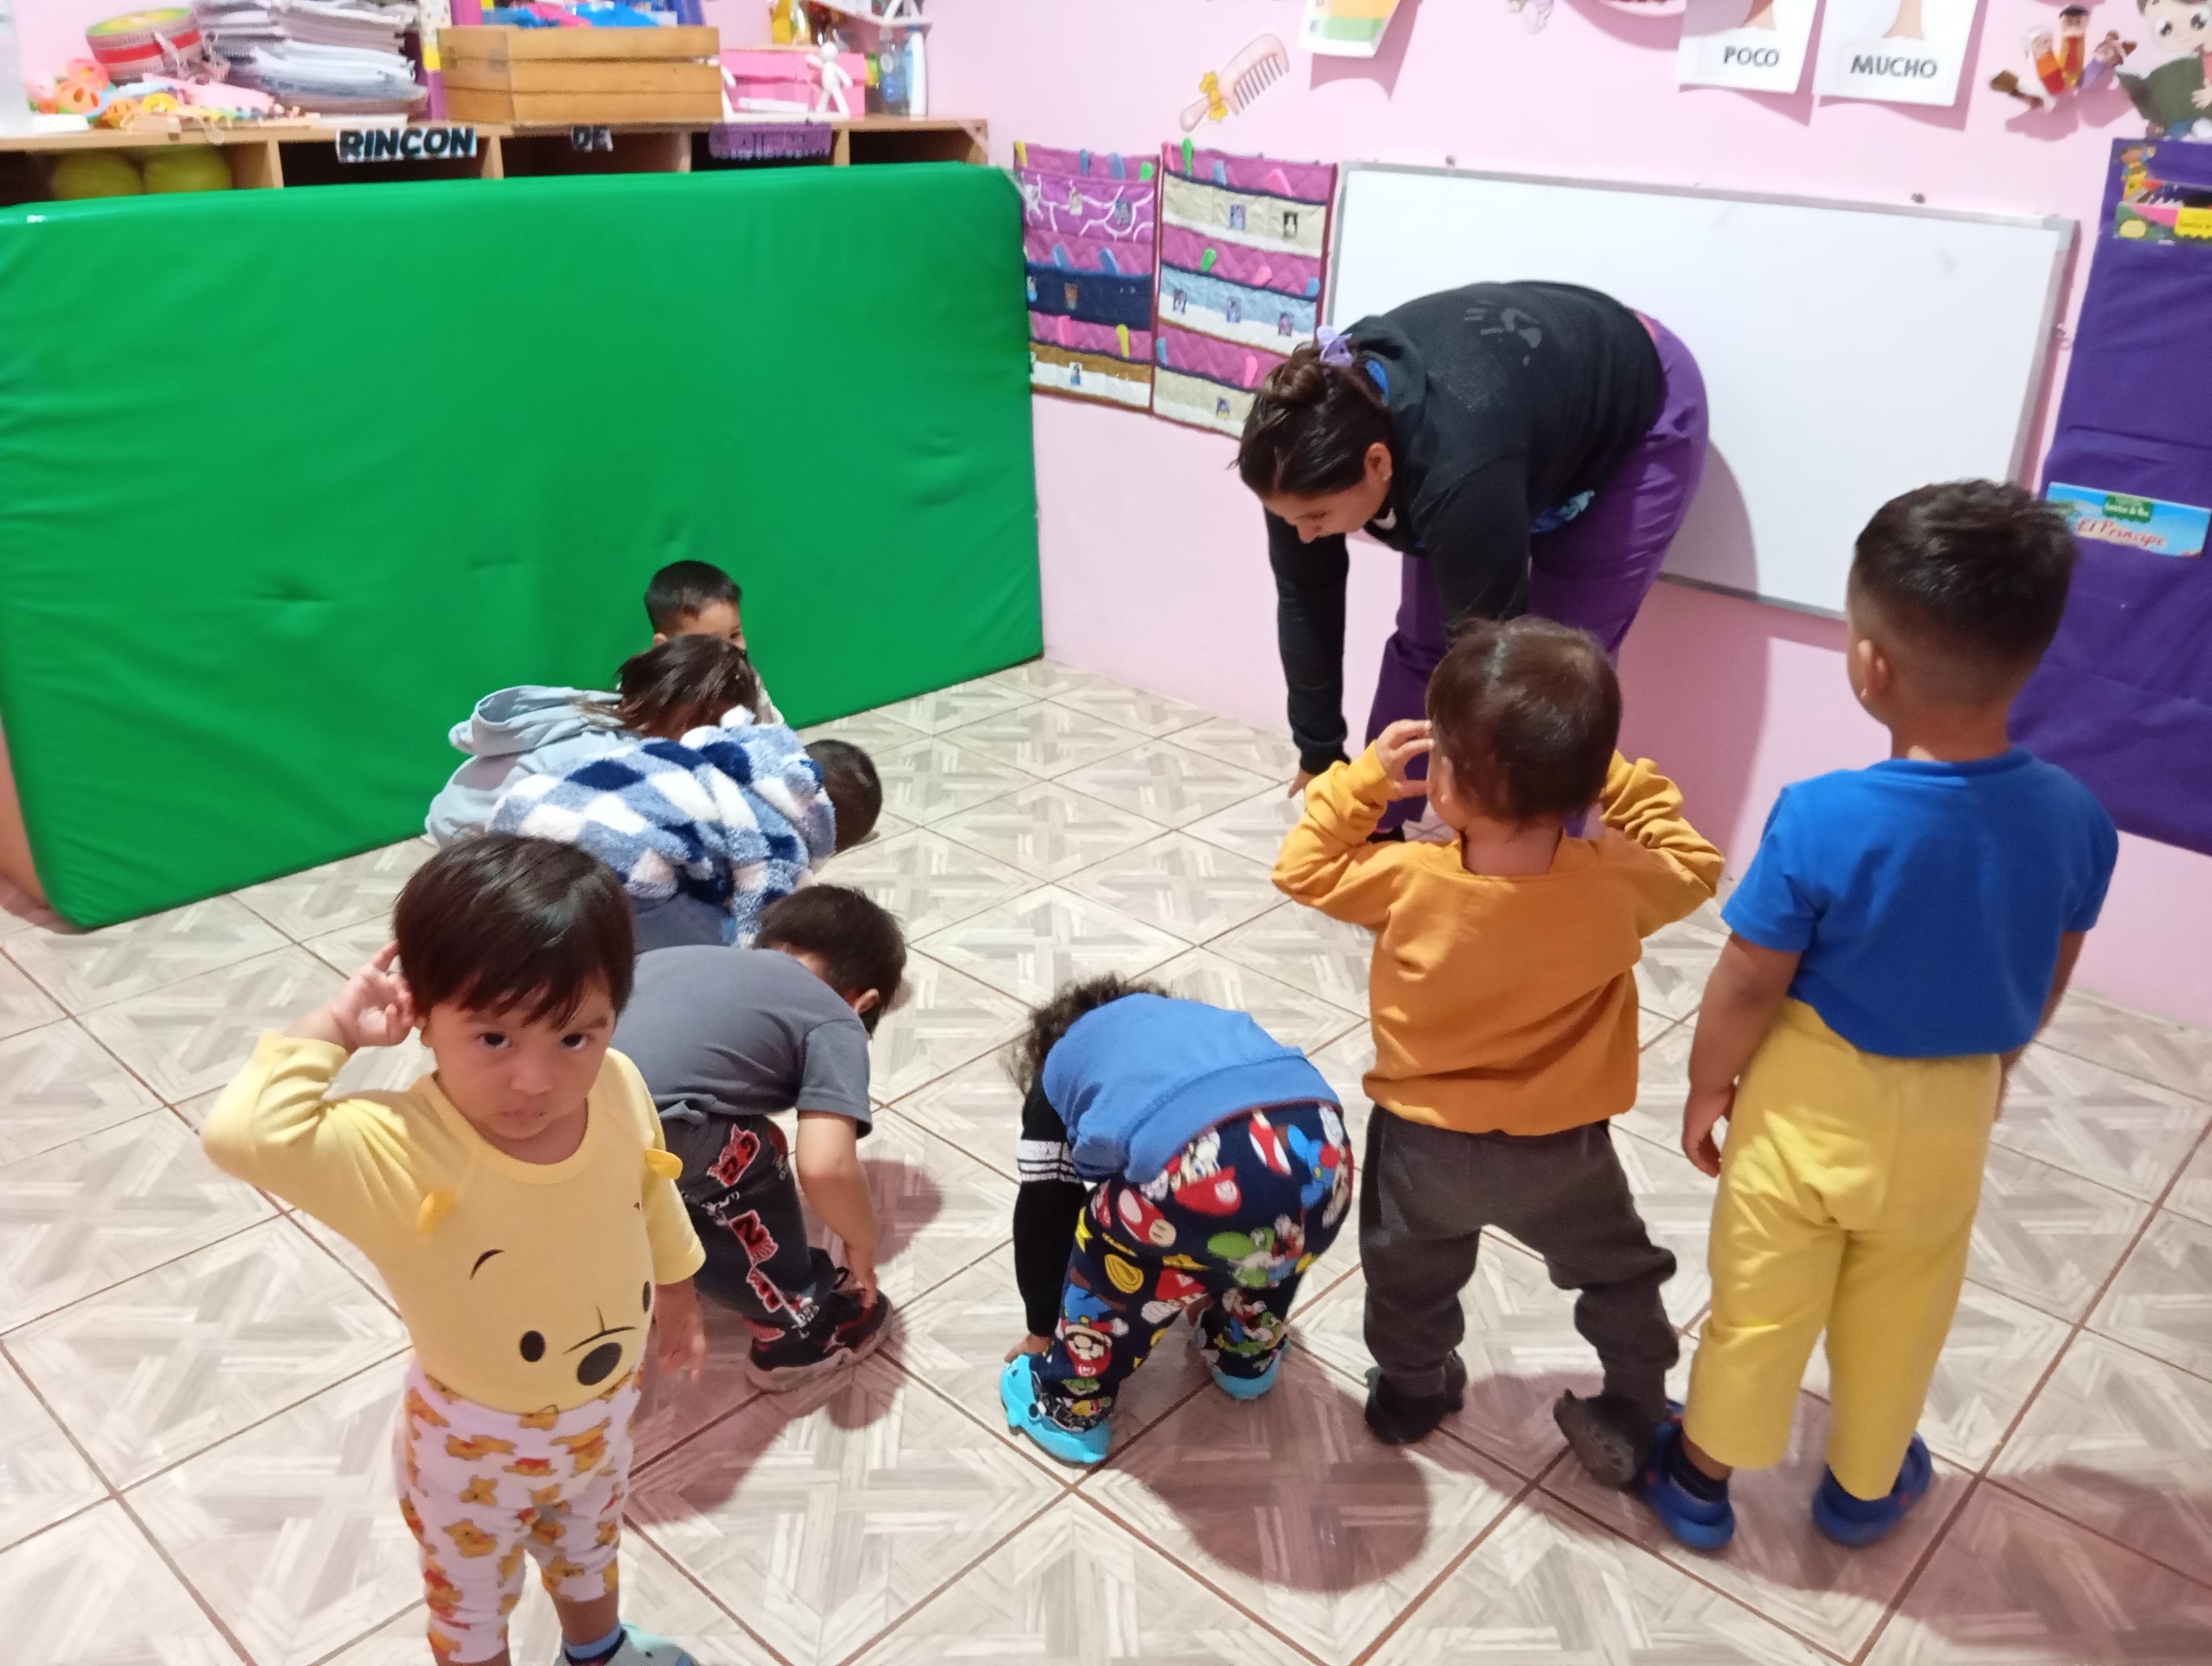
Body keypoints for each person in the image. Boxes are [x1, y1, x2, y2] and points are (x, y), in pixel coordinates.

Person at [1640, 482, 2120, 1553]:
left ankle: (1702, 1476)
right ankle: (1864, 1488)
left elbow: (1749, 983)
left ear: (1869, 664)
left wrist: (1709, 1084)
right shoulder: (2079, 821)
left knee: (1763, 1300)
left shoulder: (1823, 815)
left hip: (1808, 1109)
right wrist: (1999, 1066)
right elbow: (2050, 971)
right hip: (1952, 1110)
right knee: (1905, 1311)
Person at [201, 835, 706, 1666]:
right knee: (471, 1608)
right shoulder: (397, 1148)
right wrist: (337, 1029)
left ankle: (600, 1650)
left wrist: (679, 1292)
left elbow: (649, 1192)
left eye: (574, 1037)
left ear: (614, 1016)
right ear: (424, 1018)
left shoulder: (617, 1083)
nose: (536, 1081)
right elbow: (244, 1133)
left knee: (591, 1547)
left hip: (605, 1413)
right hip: (473, 1452)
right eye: (494, 1038)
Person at [1274, 617, 1722, 1482]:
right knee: (1619, 1274)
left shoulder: (1405, 882)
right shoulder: (1617, 884)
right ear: (1586, 780)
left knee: (1407, 1274)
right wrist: (1612, 775)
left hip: (1423, 1145)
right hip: (1564, 1152)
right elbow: (1694, 862)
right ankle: (1635, 1403)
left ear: (1444, 783)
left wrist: (1363, 781)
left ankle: (1410, 1393)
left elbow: (1303, 866)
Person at [1239, 283, 1709, 836]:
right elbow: (1306, 598)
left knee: (1556, 669)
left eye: (1317, 516)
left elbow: (1495, 668)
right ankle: (1379, 828)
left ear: (1378, 463)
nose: (1304, 534)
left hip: (1633, 408)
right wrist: (1319, 752)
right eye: (1291, 518)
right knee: (1424, 646)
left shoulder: (1456, 473)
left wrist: (1484, 834)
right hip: (1505, 416)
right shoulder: (1292, 451)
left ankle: (1537, 852)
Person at [998, 977, 1355, 1467]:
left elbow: (1045, 1208)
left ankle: (1069, 1407)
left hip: (1205, 1164)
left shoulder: (1059, 1067)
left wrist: (1043, 1327)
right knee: (1279, 1230)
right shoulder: (1199, 1023)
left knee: (1115, 1232)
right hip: (1325, 1152)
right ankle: (1244, 1356)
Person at [610, 886, 906, 1389]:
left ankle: (647, 1271)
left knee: (682, 1157)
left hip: (546, 1115)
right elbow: (827, 1166)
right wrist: (862, 1239)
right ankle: (798, 1330)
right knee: (748, 1149)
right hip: (642, 1131)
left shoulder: (690, 959)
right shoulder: (835, 1015)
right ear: (865, 1002)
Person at [490, 636, 880, 952]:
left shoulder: (724, 750)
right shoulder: (785, 840)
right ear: (827, 836)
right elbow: (761, 923)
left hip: (514, 817)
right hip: (617, 860)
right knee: (712, 944)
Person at [427, 560, 779, 845]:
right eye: (708, 645)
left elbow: (771, 746)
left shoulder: (730, 682)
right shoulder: (606, 760)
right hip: (469, 834)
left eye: (735, 635)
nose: (730, 653)